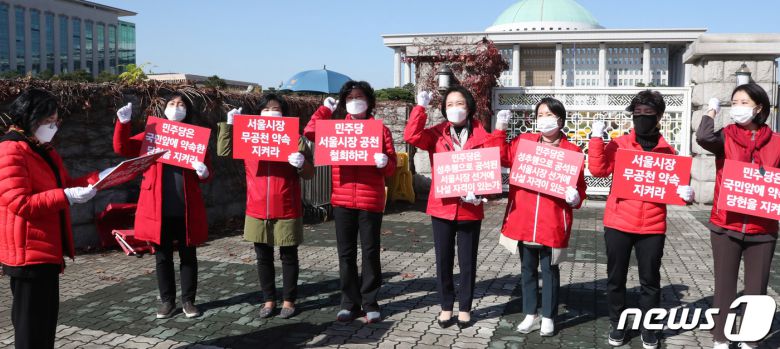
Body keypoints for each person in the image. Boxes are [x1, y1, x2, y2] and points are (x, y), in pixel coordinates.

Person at [588, 90, 695, 349]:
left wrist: (686, 193)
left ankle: (649, 327)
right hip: (618, 222)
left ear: (659, 116)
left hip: (652, 225)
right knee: (616, 278)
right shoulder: (620, 144)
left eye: (649, 113)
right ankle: (618, 323)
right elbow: (597, 169)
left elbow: (676, 186)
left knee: (650, 280)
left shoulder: (667, 150)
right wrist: (596, 138)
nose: (642, 118)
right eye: (638, 113)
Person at [0, 88, 104, 348]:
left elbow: (65, 184)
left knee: (44, 326)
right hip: (27, 253)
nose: (53, 126)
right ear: (29, 117)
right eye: (48, 121)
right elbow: (19, 203)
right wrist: (66, 195)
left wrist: (101, 178)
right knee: (31, 331)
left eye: (55, 121)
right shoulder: (11, 150)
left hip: (46, 250)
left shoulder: (42, 148)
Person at [404, 86, 506, 329]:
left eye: (459, 103)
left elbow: (496, 162)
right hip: (442, 207)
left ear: (469, 107)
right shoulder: (437, 134)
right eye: (449, 104)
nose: (455, 108)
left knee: (468, 261)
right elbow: (411, 136)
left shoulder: (482, 134)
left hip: (470, 209)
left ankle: (465, 308)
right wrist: (420, 108)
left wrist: (481, 194)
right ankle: (446, 306)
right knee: (443, 260)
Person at [303, 81, 397, 323]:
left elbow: (392, 168)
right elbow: (309, 131)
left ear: (369, 102)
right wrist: (324, 110)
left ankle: (370, 301)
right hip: (342, 199)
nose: (356, 100)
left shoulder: (381, 130)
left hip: (370, 200)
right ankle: (349, 303)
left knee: (370, 252)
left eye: (360, 96)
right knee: (346, 254)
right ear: (344, 102)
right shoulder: (334, 130)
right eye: (350, 97)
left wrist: (384, 162)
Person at [695, 84, 780, 349]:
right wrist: (711, 111)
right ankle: (721, 337)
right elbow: (703, 137)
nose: (738, 107)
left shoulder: (777, 142)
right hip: (725, 225)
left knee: (756, 289)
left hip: (763, 228)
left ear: (759, 108)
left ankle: (750, 338)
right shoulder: (726, 135)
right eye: (734, 102)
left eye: (744, 102)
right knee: (725, 286)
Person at [113, 92, 211, 319]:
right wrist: (123, 123)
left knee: (189, 257)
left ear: (188, 111)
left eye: (181, 105)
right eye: (172, 103)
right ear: (164, 107)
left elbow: (207, 171)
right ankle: (167, 301)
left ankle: (189, 301)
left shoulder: (194, 137)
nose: (176, 108)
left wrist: (203, 171)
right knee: (162, 257)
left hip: (185, 208)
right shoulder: (153, 134)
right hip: (158, 209)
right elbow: (123, 148)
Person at [217, 94, 314, 319]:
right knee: (263, 257)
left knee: (289, 256)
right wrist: (229, 126)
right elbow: (224, 151)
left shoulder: (295, 138)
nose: (272, 112)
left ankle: (289, 300)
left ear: (283, 113)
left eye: (276, 108)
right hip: (257, 207)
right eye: (267, 108)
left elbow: (310, 173)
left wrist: (301, 164)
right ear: (259, 113)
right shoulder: (249, 137)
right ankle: (269, 300)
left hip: (286, 206)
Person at [497, 98, 587, 337]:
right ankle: (530, 313)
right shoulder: (523, 142)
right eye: (540, 114)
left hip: (552, 223)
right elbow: (500, 156)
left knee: (550, 270)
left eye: (549, 114)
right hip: (524, 219)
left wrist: (575, 197)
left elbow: (581, 188)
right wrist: (500, 129)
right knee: (527, 269)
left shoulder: (572, 151)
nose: (544, 118)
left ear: (560, 119)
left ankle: (548, 316)